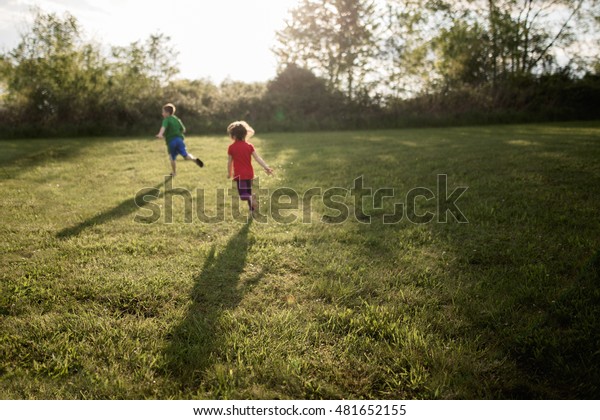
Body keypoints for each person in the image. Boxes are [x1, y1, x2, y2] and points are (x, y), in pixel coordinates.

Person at [227, 121, 273, 214]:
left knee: (244, 195)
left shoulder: (232, 147)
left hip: (240, 175)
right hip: (249, 173)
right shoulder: (249, 146)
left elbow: (229, 162)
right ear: (245, 134)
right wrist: (266, 167)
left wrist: (229, 173)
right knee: (248, 191)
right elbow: (257, 158)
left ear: (233, 136)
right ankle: (252, 210)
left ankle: (252, 198)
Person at [155, 103, 203, 176]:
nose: (162, 113)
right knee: (186, 155)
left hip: (171, 142)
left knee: (172, 158)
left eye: (163, 112)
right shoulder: (177, 119)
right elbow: (183, 130)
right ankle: (194, 159)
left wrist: (160, 134)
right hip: (180, 140)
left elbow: (163, 127)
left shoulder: (166, 120)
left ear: (167, 113)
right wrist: (176, 132)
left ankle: (174, 172)